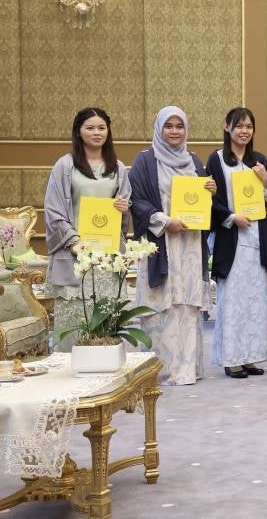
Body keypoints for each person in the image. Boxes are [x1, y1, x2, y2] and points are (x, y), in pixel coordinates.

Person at [130, 106, 215, 386]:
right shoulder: (145, 160)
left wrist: (210, 193)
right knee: (161, 305)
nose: (175, 131)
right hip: (161, 243)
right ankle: (161, 370)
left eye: (180, 126)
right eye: (169, 126)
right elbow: (137, 200)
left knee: (187, 304)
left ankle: (187, 369)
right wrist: (165, 221)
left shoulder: (194, 160)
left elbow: (200, 204)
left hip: (189, 244)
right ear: (159, 128)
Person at [44, 108, 131, 351]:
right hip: (76, 255)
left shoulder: (119, 167)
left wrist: (124, 208)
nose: (96, 132)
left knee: (105, 324)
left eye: (101, 128)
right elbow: (53, 209)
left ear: (108, 131)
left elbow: (123, 214)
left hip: (106, 257)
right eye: (90, 128)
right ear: (79, 131)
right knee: (74, 320)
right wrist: (73, 241)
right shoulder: (65, 165)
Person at [206, 107, 267, 379]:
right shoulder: (217, 160)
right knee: (232, 301)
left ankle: (251, 357)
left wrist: (266, 180)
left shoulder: (259, 160)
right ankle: (232, 359)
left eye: (249, 126)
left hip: (257, 238)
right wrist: (232, 217)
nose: (244, 131)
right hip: (232, 237)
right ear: (227, 127)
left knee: (256, 301)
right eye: (239, 126)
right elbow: (211, 200)